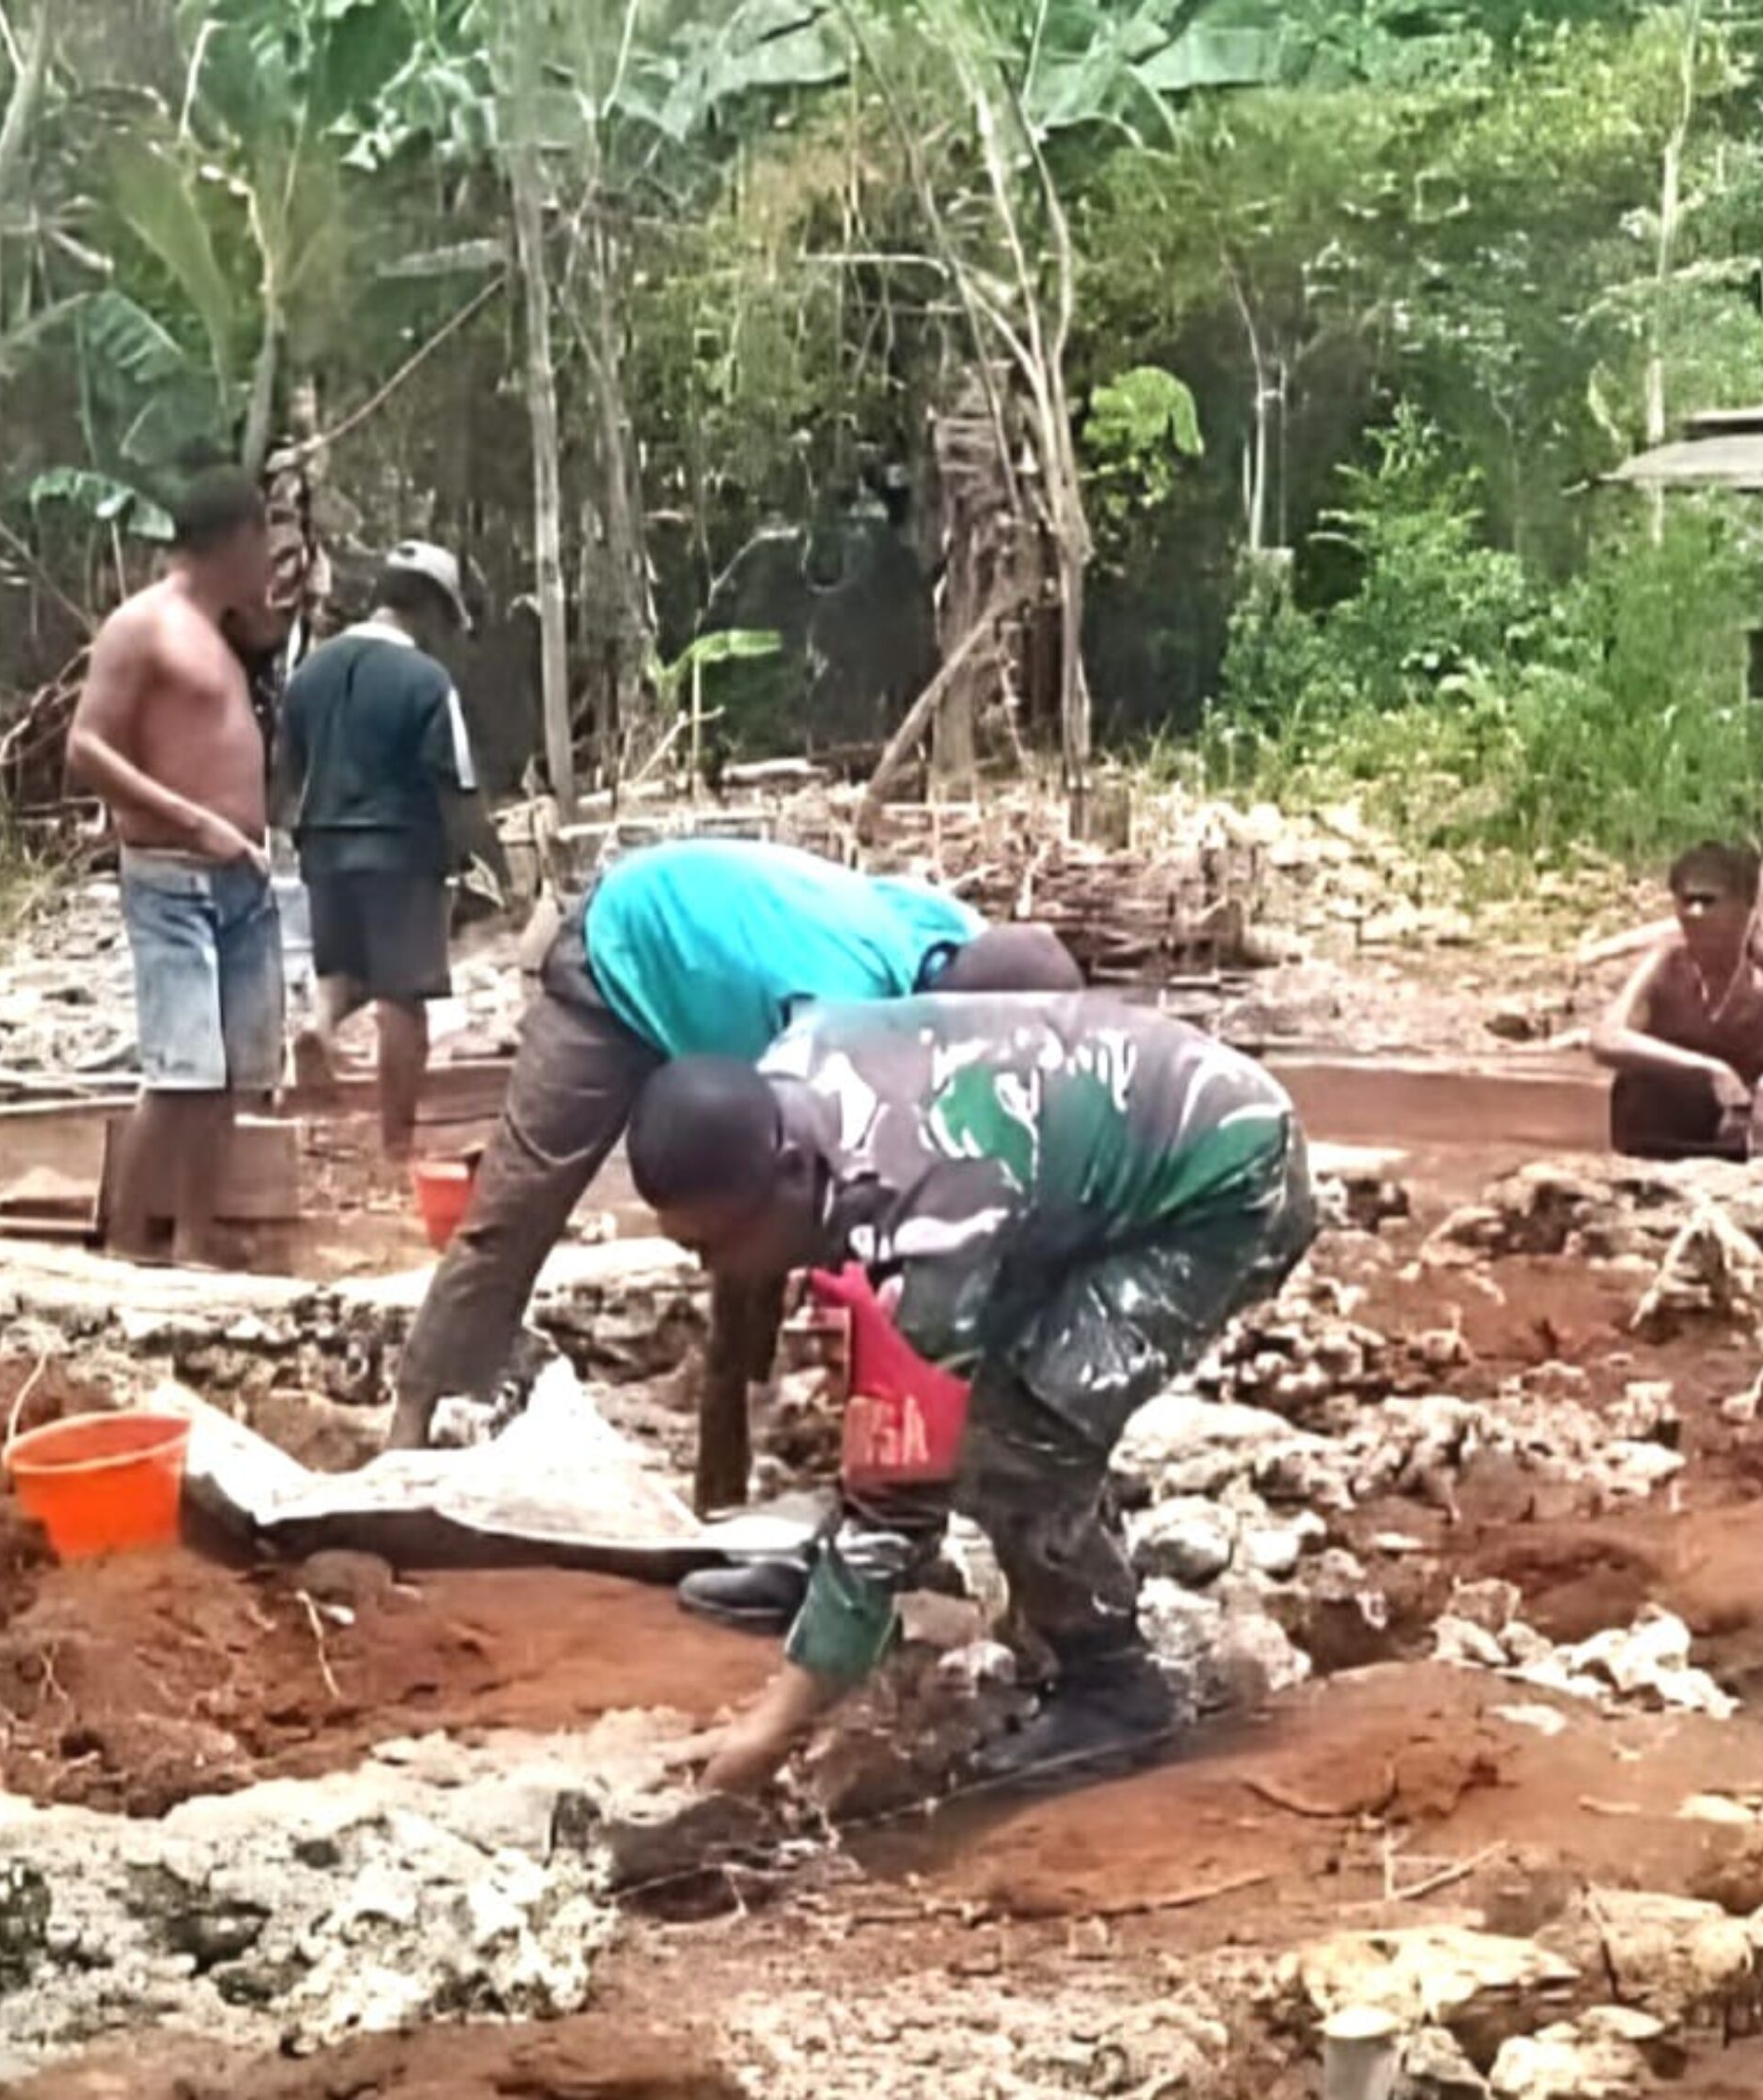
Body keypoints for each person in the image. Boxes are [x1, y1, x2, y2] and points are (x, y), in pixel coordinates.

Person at [626, 993, 1320, 1798]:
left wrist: (772, 1730)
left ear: (788, 1176)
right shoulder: (788, 1091)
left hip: (1222, 1186)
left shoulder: (933, 1221)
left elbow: (899, 1490)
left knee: (1014, 1433)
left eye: (720, 1244)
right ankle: (872, 1599)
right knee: (935, 1390)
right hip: (1065, 1174)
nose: (715, 1269)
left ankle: (1117, 1687)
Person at [385, 835, 1055, 1503]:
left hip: (726, 973)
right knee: (519, 1211)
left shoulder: (978, 953)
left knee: (764, 1218)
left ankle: (722, 1494)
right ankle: (409, 1449)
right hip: (621, 950)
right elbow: (819, 1191)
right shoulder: (843, 1015)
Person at [69, 469, 285, 1267]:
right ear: (235, 538)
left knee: (228, 1070)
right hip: (173, 875)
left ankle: (195, 1239)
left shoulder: (221, 628)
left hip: (241, 878)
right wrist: (194, 820)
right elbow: (86, 747)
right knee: (181, 1070)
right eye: (265, 539)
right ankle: (128, 1242)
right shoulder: (143, 624)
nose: (273, 556)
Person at [275, 542, 510, 1162]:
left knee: (342, 972)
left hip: (322, 846)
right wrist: (494, 867)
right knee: (404, 997)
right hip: (399, 851)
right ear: (430, 610)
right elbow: (454, 786)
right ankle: (396, 1144)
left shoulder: (311, 673)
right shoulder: (427, 682)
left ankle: (317, 1027)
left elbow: (287, 773)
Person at [1590, 841, 1763, 1160]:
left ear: (1743, 906)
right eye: (1687, 900)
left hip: (1759, 1111)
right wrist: (1706, 1070)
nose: (1695, 913)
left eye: (1708, 901)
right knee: (1634, 1084)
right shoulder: (1667, 960)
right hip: (1685, 1110)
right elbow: (1606, 1037)